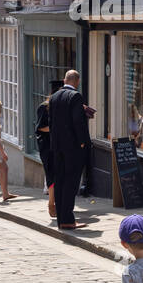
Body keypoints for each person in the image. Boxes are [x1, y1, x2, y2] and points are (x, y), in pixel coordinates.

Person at [47, 70, 90, 230]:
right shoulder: (76, 97)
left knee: (60, 181)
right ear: (77, 82)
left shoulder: (55, 96)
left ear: (65, 80)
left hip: (57, 146)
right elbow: (77, 122)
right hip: (72, 147)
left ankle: (61, 219)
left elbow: (52, 122)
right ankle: (68, 219)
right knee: (71, 182)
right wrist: (82, 143)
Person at [35, 92, 56, 218]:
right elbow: (40, 127)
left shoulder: (62, 108)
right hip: (47, 146)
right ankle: (51, 204)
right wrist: (55, 128)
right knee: (51, 175)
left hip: (60, 146)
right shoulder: (44, 107)